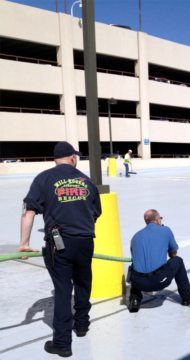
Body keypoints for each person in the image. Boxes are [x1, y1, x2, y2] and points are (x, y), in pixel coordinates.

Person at [17, 141, 102, 358]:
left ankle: (62, 343)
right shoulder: (87, 181)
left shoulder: (43, 178)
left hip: (59, 241)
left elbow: (29, 213)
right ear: (72, 158)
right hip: (85, 240)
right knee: (83, 282)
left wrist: (24, 244)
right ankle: (82, 325)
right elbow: (96, 212)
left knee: (63, 290)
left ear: (56, 159)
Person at [128, 209, 190, 313]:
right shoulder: (165, 230)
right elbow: (173, 254)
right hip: (159, 280)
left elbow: (136, 259)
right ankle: (186, 297)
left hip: (139, 283)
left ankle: (135, 300)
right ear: (157, 220)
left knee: (133, 267)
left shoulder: (135, 237)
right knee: (178, 261)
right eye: (160, 218)